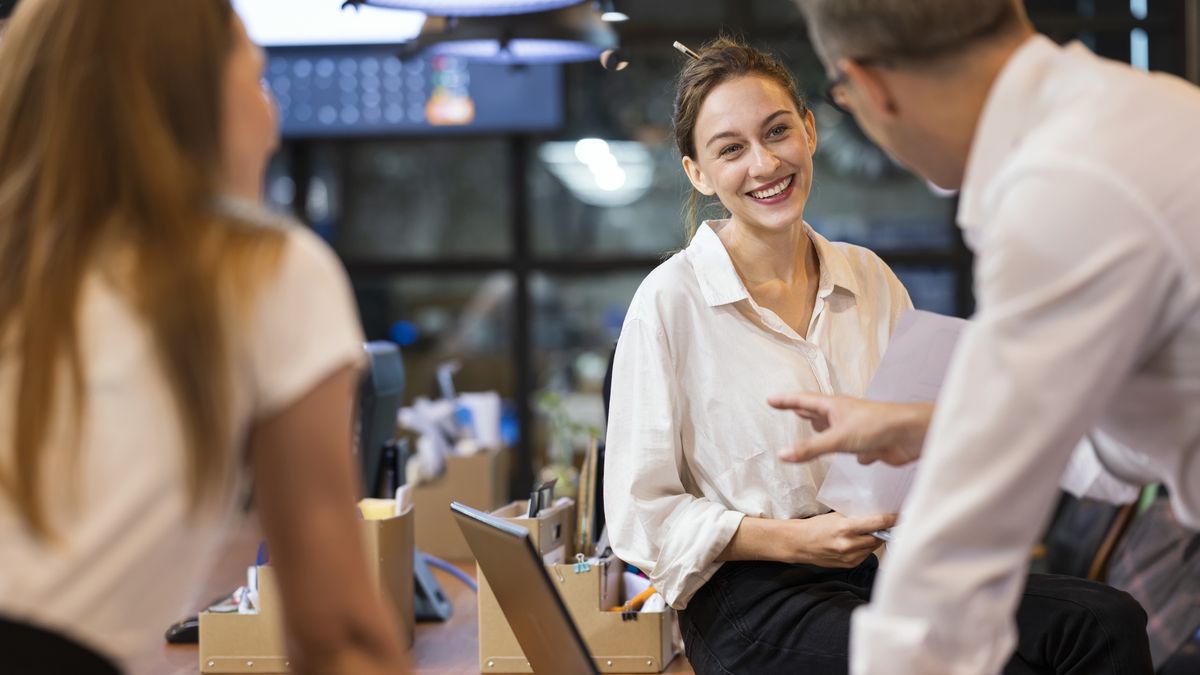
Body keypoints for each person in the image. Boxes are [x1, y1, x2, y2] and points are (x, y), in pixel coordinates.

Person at [603, 37, 1150, 675]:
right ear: (697, 171)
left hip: (881, 565)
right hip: (750, 595)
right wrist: (795, 540)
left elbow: (917, 442)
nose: (764, 163)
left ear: (809, 131)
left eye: (777, 131)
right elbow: (643, 513)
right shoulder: (669, 301)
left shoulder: (867, 276)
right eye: (731, 149)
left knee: (1104, 622)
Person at [768, 0, 1200, 673]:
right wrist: (938, 425)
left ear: (870, 88)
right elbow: (1112, 431)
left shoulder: (1061, 189)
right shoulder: (1147, 110)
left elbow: (959, 559)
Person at [0, 1, 408, 674]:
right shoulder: (260, 270)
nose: (272, 124)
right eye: (254, 79)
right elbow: (339, 636)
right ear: (179, 103)